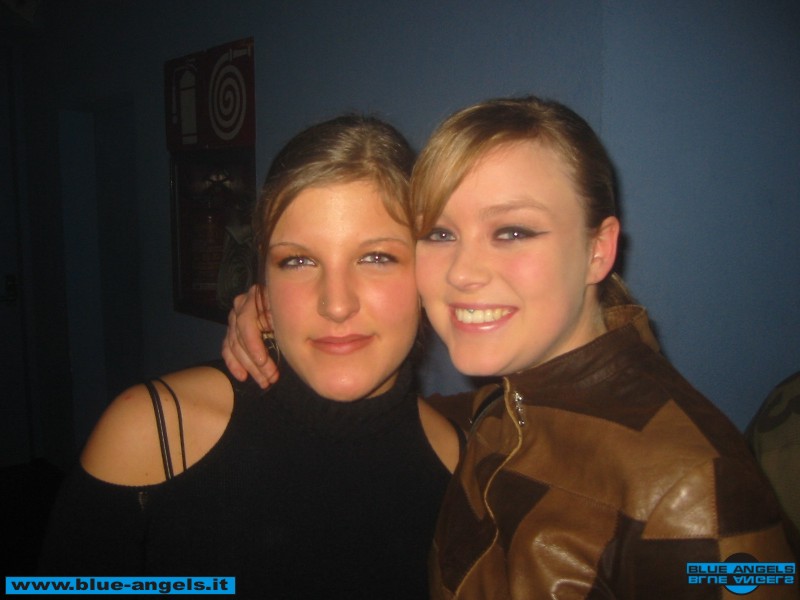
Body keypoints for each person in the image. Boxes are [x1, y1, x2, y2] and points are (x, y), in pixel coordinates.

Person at [223, 97, 797, 599]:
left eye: (513, 231)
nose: (463, 272)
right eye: (441, 234)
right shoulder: (508, 409)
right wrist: (281, 317)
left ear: (599, 250)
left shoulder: (693, 490)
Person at [40, 115, 460, 599]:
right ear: (263, 282)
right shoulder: (155, 432)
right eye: (298, 261)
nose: (336, 303)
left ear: (428, 273)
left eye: (376, 257)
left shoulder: (463, 466)